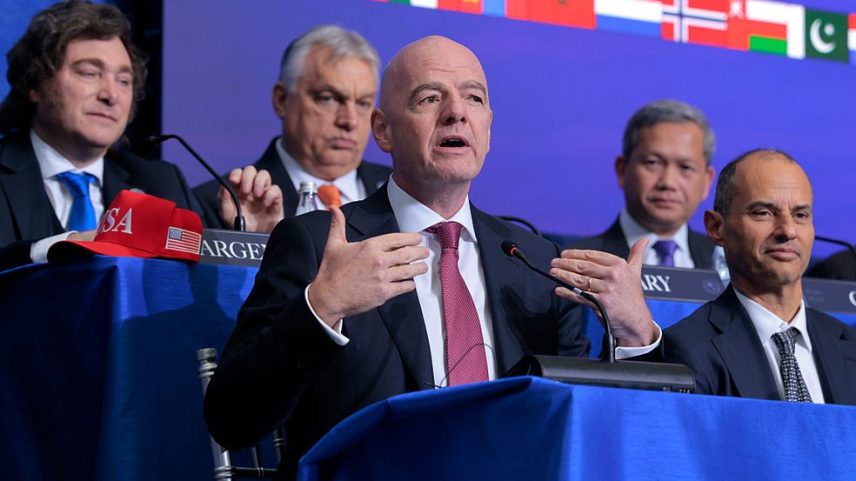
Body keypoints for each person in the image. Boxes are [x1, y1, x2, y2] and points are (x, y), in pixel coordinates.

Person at [204, 35, 659, 476]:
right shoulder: (319, 244)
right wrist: (322, 307)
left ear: (488, 129)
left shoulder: (534, 262)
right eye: (428, 99)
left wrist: (635, 336)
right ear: (382, 130)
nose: (456, 113)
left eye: (474, 99)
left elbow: (594, 434)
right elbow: (232, 420)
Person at [0, 1, 282, 272]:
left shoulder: (162, 182)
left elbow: (202, 296)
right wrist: (61, 246)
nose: (111, 95)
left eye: (124, 81)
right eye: (89, 73)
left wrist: (251, 243)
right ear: (35, 83)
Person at [660, 149, 856, 404]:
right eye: (763, 212)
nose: (787, 230)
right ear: (716, 227)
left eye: (800, 215)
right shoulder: (686, 349)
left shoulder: (850, 345)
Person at [192, 25, 391, 228]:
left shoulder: (402, 191)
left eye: (363, 103)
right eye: (328, 98)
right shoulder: (216, 205)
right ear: (282, 100)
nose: (350, 121)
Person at [570, 100, 717, 268]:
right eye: (652, 163)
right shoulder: (577, 265)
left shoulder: (732, 266)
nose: (668, 182)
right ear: (622, 170)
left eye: (685, 167)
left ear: (707, 181)